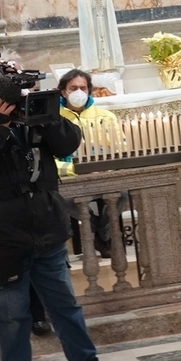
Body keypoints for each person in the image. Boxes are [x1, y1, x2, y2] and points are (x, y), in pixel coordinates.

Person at [0, 77, 122, 361]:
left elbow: (68, 144)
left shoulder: (33, 116)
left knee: (65, 305)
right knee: (11, 316)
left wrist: (47, 117)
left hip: (46, 229)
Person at [56, 68, 126, 257]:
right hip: (71, 177)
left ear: (89, 90)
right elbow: (48, 160)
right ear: (63, 92)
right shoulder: (55, 119)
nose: (79, 92)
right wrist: (76, 169)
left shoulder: (105, 116)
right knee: (63, 200)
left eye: (83, 88)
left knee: (122, 194)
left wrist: (101, 169)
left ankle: (103, 233)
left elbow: (121, 149)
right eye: (73, 88)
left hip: (103, 174)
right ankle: (96, 229)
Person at [77, 0, 124, 73]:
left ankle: (107, 64)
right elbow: (83, 1)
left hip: (103, 16)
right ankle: (94, 66)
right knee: (94, 40)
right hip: (92, 17)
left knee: (105, 38)